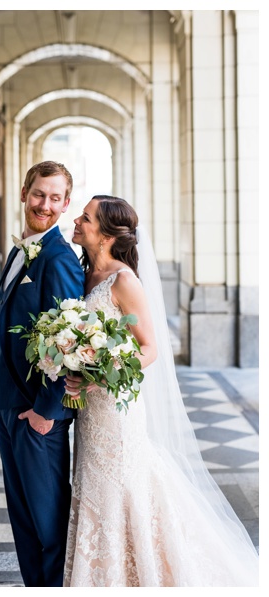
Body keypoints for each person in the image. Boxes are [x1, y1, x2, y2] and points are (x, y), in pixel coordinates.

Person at [63, 195, 258, 586]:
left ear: (104, 235)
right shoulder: (82, 274)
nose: (77, 221)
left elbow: (150, 347)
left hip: (116, 410)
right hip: (89, 411)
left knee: (124, 485)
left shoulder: (125, 280)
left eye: (85, 218)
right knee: (94, 485)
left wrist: (97, 375)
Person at [0, 161, 85, 587]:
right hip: (9, 404)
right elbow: (2, 327)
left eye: (55, 198)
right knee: (23, 519)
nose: (45, 204)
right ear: (25, 193)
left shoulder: (59, 260)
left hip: (38, 416)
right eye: (39, 194)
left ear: (65, 204)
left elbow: (69, 344)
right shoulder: (18, 250)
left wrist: (46, 410)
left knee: (47, 524)